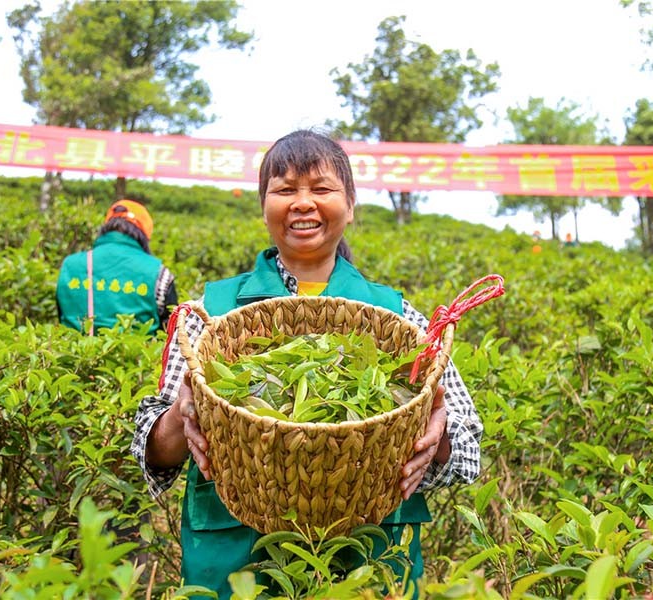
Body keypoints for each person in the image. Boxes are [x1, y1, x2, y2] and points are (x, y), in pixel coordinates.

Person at [130, 130, 483, 598]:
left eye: (321, 189)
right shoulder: (209, 314)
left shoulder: (401, 319)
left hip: (369, 556)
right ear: (264, 207)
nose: (302, 203)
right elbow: (151, 449)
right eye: (284, 189)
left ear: (350, 205)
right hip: (237, 564)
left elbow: (467, 441)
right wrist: (182, 414)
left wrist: (433, 430)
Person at [56, 199, 177, 335]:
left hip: (73, 352)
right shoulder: (159, 273)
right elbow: (171, 330)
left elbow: (62, 314)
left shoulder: (69, 265)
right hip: (139, 355)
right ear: (144, 234)